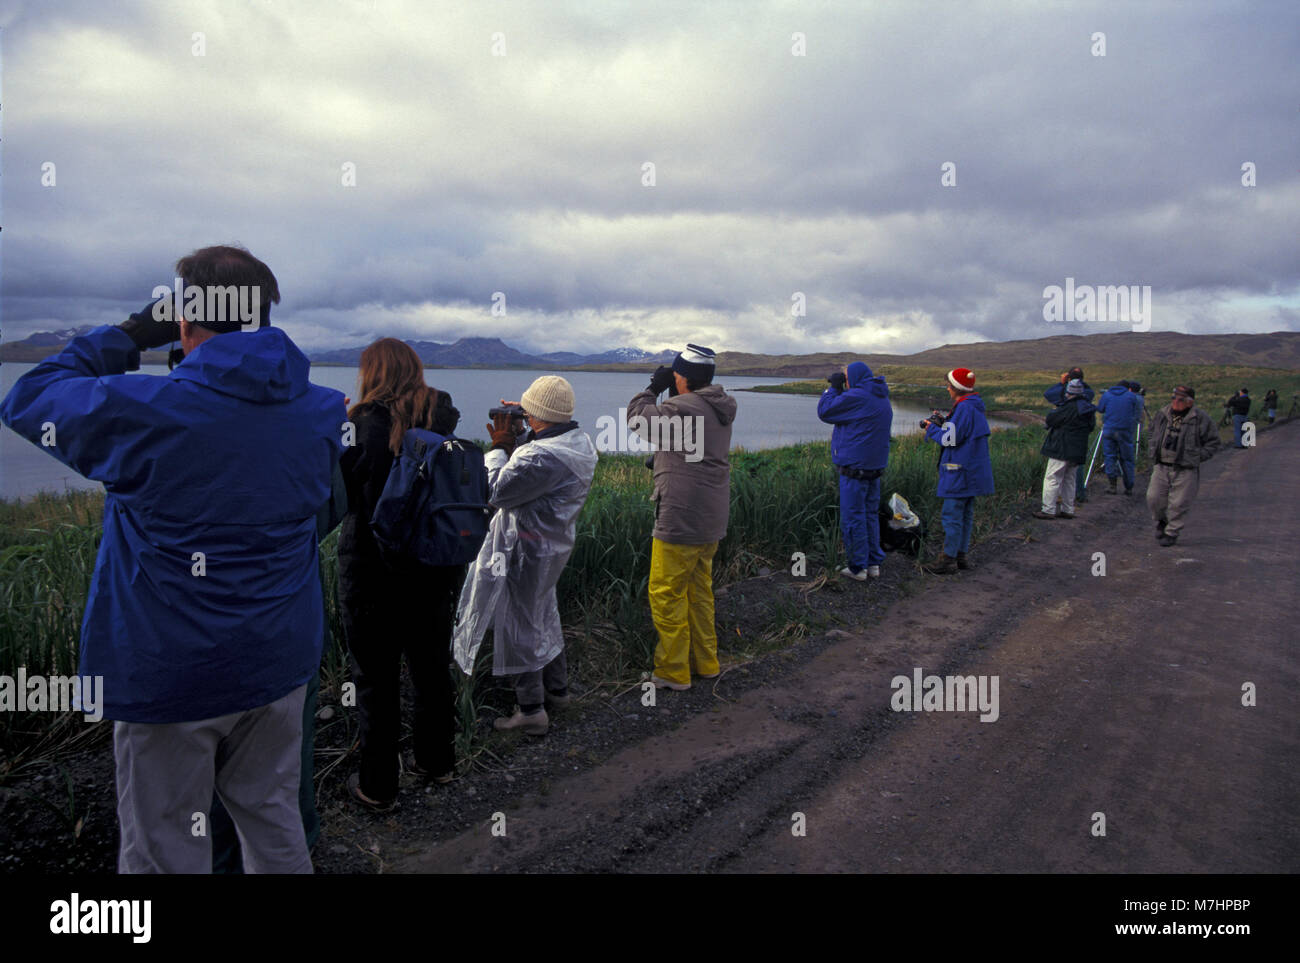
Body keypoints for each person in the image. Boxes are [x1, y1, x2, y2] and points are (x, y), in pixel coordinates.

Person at [0, 245, 345, 873]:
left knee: (164, 846)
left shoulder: (142, 409)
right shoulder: (321, 411)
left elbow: (29, 396)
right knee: (273, 817)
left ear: (184, 320)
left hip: (168, 671)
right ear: (263, 317)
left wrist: (129, 334)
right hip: (278, 658)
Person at [338, 339, 464, 809]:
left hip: (372, 571)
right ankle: (437, 762)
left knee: (375, 678)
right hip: (434, 567)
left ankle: (378, 785)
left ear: (372, 373)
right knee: (431, 667)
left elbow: (343, 493)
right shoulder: (441, 416)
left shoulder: (361, 424)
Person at [453, 376, 597, 735]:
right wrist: (524, 432)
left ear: (537, 415)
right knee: (543, 613)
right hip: (551, 544)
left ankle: (531, 710)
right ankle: (557, 691)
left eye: (527, 411)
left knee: (518, 622)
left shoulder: (539, 456)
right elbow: (536, 466)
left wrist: (499, 447)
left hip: (523, 550)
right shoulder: (577, 442)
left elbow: (496, 491)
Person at [626, 344, 737, 691]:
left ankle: (673, 671)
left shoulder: (682, 407)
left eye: (674, 374)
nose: (671, 379)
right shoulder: (719, 407)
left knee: (665, 591)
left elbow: (636, 420)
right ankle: (706, 662)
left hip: (680, 517)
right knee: (698, 590)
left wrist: (652, 388)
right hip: (711, 516)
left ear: (684, 378)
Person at [817, 361, 893, 579]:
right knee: (869, 515)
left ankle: (857, 567)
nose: (845, 381)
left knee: (853, 517)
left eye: (846, 377)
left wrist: (833, 388)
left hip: (854, 468)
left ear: (855, 378)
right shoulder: (880, 395)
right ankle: (873, 563)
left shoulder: (858, 397)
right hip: (873, 468)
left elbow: (825, 411)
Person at [921, 368, 994, 574]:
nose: (947, 388)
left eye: (949, 385)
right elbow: (959, 432)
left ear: (957, 388)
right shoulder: (974, 407)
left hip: (960, 471)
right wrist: (945, 423)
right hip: (972, 472)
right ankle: (961, 556)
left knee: (952, 515)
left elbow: (950, 440)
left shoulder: (964, 409)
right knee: (966, 514)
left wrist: (931, 428)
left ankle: (947, 560)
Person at [1147, 385, 1221, 546]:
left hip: (1185, 468)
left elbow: (1213, 442)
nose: (1175, 401)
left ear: (1189, 402)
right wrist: (1153, 445)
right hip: (1161, 465)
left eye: (1180, 399)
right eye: (1173, 398)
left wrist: (1197, 456)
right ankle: (1161, 521)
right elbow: (1151, 431)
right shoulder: (1162, 414)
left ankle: (1171, 532)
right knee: (1153, 498)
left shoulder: (1200, 418)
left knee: (1179, 502)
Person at [1033, 379, 1097, 519]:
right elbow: (1091, 427)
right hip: (1078, 449)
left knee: (1053, 478)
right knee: (1069, 479)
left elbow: (1051, 420)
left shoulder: (1067, 408)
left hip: (1061, 448)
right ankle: (1068, 509)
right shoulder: (1087, 408)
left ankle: (1048, 510)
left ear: (1069, 392)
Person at [1044, 367, 1095, 503]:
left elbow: (1049, 394)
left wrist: (1062, 383)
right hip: (1079, 441)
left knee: (1054, 476)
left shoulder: (1065, 397)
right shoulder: (1087, 396)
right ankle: (1076, 499)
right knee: (1072, 474)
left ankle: (1050, 506)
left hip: (1061, 442)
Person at [1095, 377, 1144, 495]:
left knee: (1110, 456)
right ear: (1128, 388)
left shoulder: (1107, 395)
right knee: (1127, 458)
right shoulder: (1132, 397)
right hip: (1125, 431)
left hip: (1109, 429)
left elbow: (1100, 409)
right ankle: (1128, 487)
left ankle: (1112, 485)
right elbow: (1137, 414)